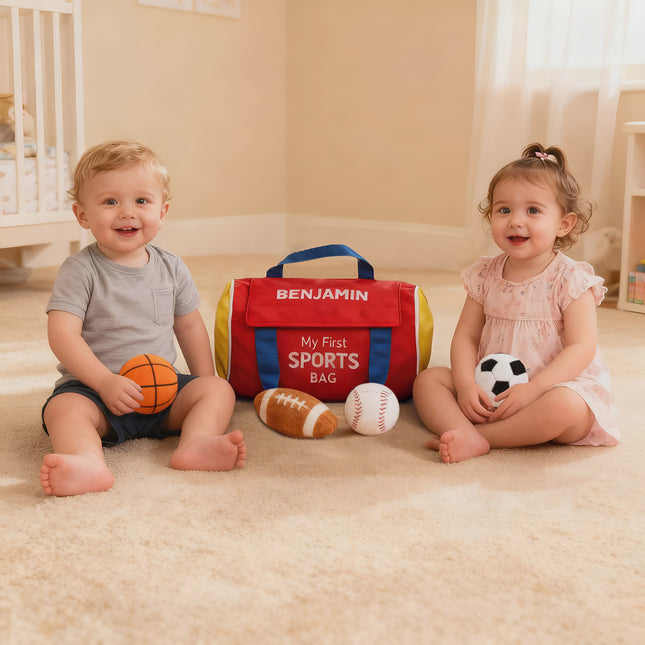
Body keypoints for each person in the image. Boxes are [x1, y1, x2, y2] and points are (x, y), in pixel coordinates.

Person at [40, 140, 246, 496]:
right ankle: (86, 460)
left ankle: (197, 442)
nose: (127, 212)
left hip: (164, 390)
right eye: (109, 201)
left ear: (162, 212)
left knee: (218, 390)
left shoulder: (171, 266)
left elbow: (189, 325)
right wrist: (104, 382)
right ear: (82, 215)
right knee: (63, 409)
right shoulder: (80, 270)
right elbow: (63, 335)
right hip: (96, 394)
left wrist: (201, 381)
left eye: (141, 201)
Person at [413, 143, 619, 463]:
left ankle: (481, 438)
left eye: (533, 211)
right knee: (429, 381)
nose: (515, 221)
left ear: (563, 224)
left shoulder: (570, 280)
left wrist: (533, 390)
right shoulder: (484, 274)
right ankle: (461, 427)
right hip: (490, 389)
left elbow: (581, 348)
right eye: (504, 210)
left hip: (548, 390)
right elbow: (466, 335)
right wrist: (467, 386)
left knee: (567, 407)